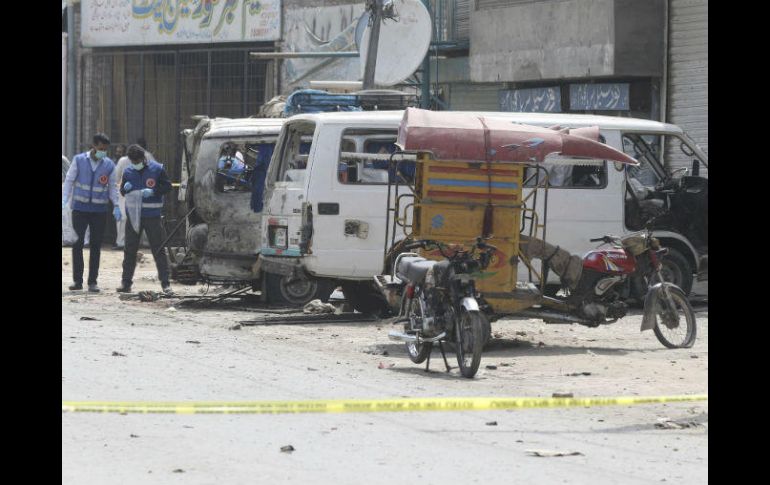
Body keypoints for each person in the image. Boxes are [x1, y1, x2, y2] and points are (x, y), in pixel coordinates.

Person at [62, 133, 122, 292]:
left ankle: (92, 282)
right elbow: (69, 180)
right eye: (101, 148)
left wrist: (116, 205)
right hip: (80, 209)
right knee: (77, 244)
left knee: (95, 246)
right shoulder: (79, 160)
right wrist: (64, 200)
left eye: (105, 149)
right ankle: (77, 281)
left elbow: (112, 188)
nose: (103, 152)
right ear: (93, 146)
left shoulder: (109, 165)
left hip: (99, 211)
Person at [116, 144, 173, 295]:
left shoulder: (157, 169)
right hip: (134, 216)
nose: (135, 164)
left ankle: (166, 284)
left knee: (158, 250)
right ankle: (126, 283)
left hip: (152, 216)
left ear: (143, 158)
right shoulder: (128, 171)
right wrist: (125, 188)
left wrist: (153, 191)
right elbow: (122, 191)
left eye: (137, 161)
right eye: (133, 162)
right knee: (129, 250)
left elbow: (167, 187)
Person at [114, 141, 153, 250]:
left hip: (141, 192)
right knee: (124, 218)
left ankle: (142, 242)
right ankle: (122, 242)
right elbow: (116, 178)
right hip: (126, 193)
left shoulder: (148, 157)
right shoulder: (123, 161)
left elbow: (154, 172)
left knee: (141, 217)